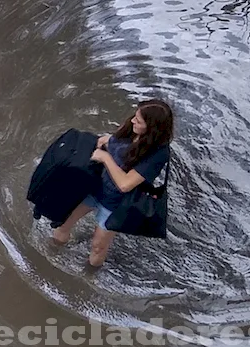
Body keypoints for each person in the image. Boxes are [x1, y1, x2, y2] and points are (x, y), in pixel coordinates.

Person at [51, 98, 174, 267]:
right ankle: (52, 256)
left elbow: (125, 185)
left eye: (138, 121)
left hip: (116, 203)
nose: (132, 121)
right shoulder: (132, 129)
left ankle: (90, 275)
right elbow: (117, 141)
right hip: (94, 186)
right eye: (135, 116)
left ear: (151, 128)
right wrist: (108, 141)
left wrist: (106, 158)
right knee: (62, 223)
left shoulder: (158, 154)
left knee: (98, 247)